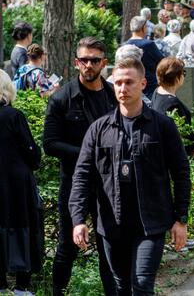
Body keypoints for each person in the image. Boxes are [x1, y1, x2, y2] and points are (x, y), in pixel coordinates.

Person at [69, 58, 191, 296]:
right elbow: (82, 176)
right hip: (112, 225)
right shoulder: (99, 129)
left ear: (143, 83)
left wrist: (181, 219)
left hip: (151, 223)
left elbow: (181, 173)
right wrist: (78, 219)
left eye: (129, 83)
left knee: (142, 285)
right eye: (118, 83)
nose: (123, 89)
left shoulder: (162, 126)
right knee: (121, 287)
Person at [43, 37, 117, 295]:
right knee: (67, 245)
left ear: (104, 63)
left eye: (94, 60)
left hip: (109, 185)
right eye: (84, 60)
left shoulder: (113, 95)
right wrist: (87, 155)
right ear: (76, 62)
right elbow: (50, 144)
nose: (88, 65)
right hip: (74, 183)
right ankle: (58, 292)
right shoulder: (63, 98)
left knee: (109, 244)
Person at [0, 69, 43, 295]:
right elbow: (32, 154)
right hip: (16, 184)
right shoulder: (13, 116)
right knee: (21, 227)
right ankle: (21, 286)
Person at [151, 57, 194, 157]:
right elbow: (184, 133)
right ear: (176, 77)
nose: (184, 76)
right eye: (183, 73)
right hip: (175, 156)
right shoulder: (172, 104)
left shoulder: (158, 92)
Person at [125, 15, 165, 97]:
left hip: (132, 85)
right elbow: (163, 61)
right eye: (146, 27)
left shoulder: (125, 45)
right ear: (143, 27)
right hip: (150, 87)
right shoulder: (148, 44)